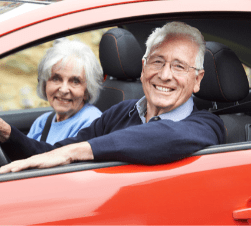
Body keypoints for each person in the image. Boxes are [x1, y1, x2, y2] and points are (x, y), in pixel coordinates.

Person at [0, 21, 225, 173]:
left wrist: (76, 152)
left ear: (197, 80)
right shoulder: (121, 112)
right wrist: (8, 134)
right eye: (157, 62)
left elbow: (163, 136)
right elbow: (53, 155)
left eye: (179, 67)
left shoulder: (207, 125)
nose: (165, 75)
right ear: (144, 67)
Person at [5, 39, 103, 146]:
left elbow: (61, 159)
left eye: (75, 81)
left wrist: (9, 133)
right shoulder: (42, 122)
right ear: (45, 83)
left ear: (87, 90)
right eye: (56, 79)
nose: (63, 89)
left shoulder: (92, 123)